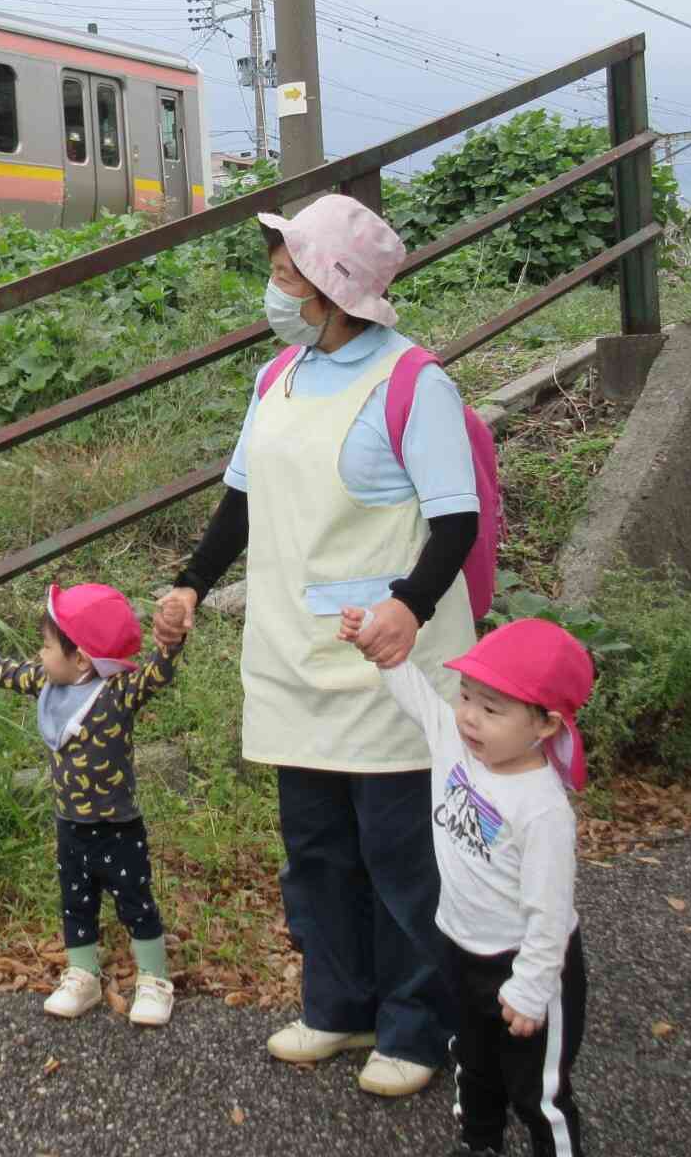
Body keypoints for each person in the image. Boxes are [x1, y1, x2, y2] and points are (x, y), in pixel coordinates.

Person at [154, 194, 480, 1096]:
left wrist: (410, 605)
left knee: (401, 854)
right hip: (295, 656)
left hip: (388, 662)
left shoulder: (415, 383)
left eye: (288, 272)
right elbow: (243, 502)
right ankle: (339, 1007)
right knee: (316, 848)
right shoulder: (278, 379)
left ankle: (419, 1026)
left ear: (336, 290)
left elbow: (457, 519)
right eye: (277, 270)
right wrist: (191, 581)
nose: (274, 287)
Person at [341, 611, 592, 1157]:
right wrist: (375, 646)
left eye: (492, 709)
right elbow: (417, 696)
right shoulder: (457, 747)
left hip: (526, 965)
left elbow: (549, 914)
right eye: (467, 697)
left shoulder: (542, 808)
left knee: (536, 1091)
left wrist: (530, 988)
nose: (469, 718)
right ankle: (479, 1145)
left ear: (545, 725)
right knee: (474, 1068)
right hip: (459, 947)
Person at [0, 581, 185, 1026]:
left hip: (118, 826)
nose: (39, 655)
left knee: (135, 901)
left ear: (81, 658)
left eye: (46, 645)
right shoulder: (49, 685)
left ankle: (154, 980)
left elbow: (157, 673)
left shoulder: (117, 694)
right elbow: (2, 670)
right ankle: (83, 974)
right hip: (71, 824)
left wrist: (171, 643)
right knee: (75, 901)